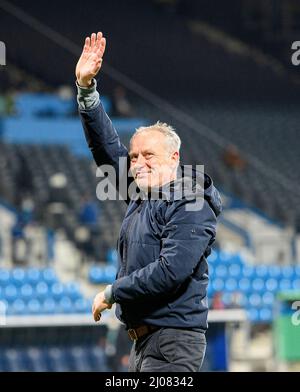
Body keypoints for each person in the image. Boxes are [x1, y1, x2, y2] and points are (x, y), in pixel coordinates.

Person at [75, 32, 222, 372]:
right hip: (143, 345)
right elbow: (108, 151)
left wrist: (113, 292)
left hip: (173, 344)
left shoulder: (190, 201)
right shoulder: (146, 193)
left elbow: (171, 270)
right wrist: (87, 91)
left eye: (148, 155)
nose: (138, 162)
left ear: (174, 157)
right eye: (135, 155)